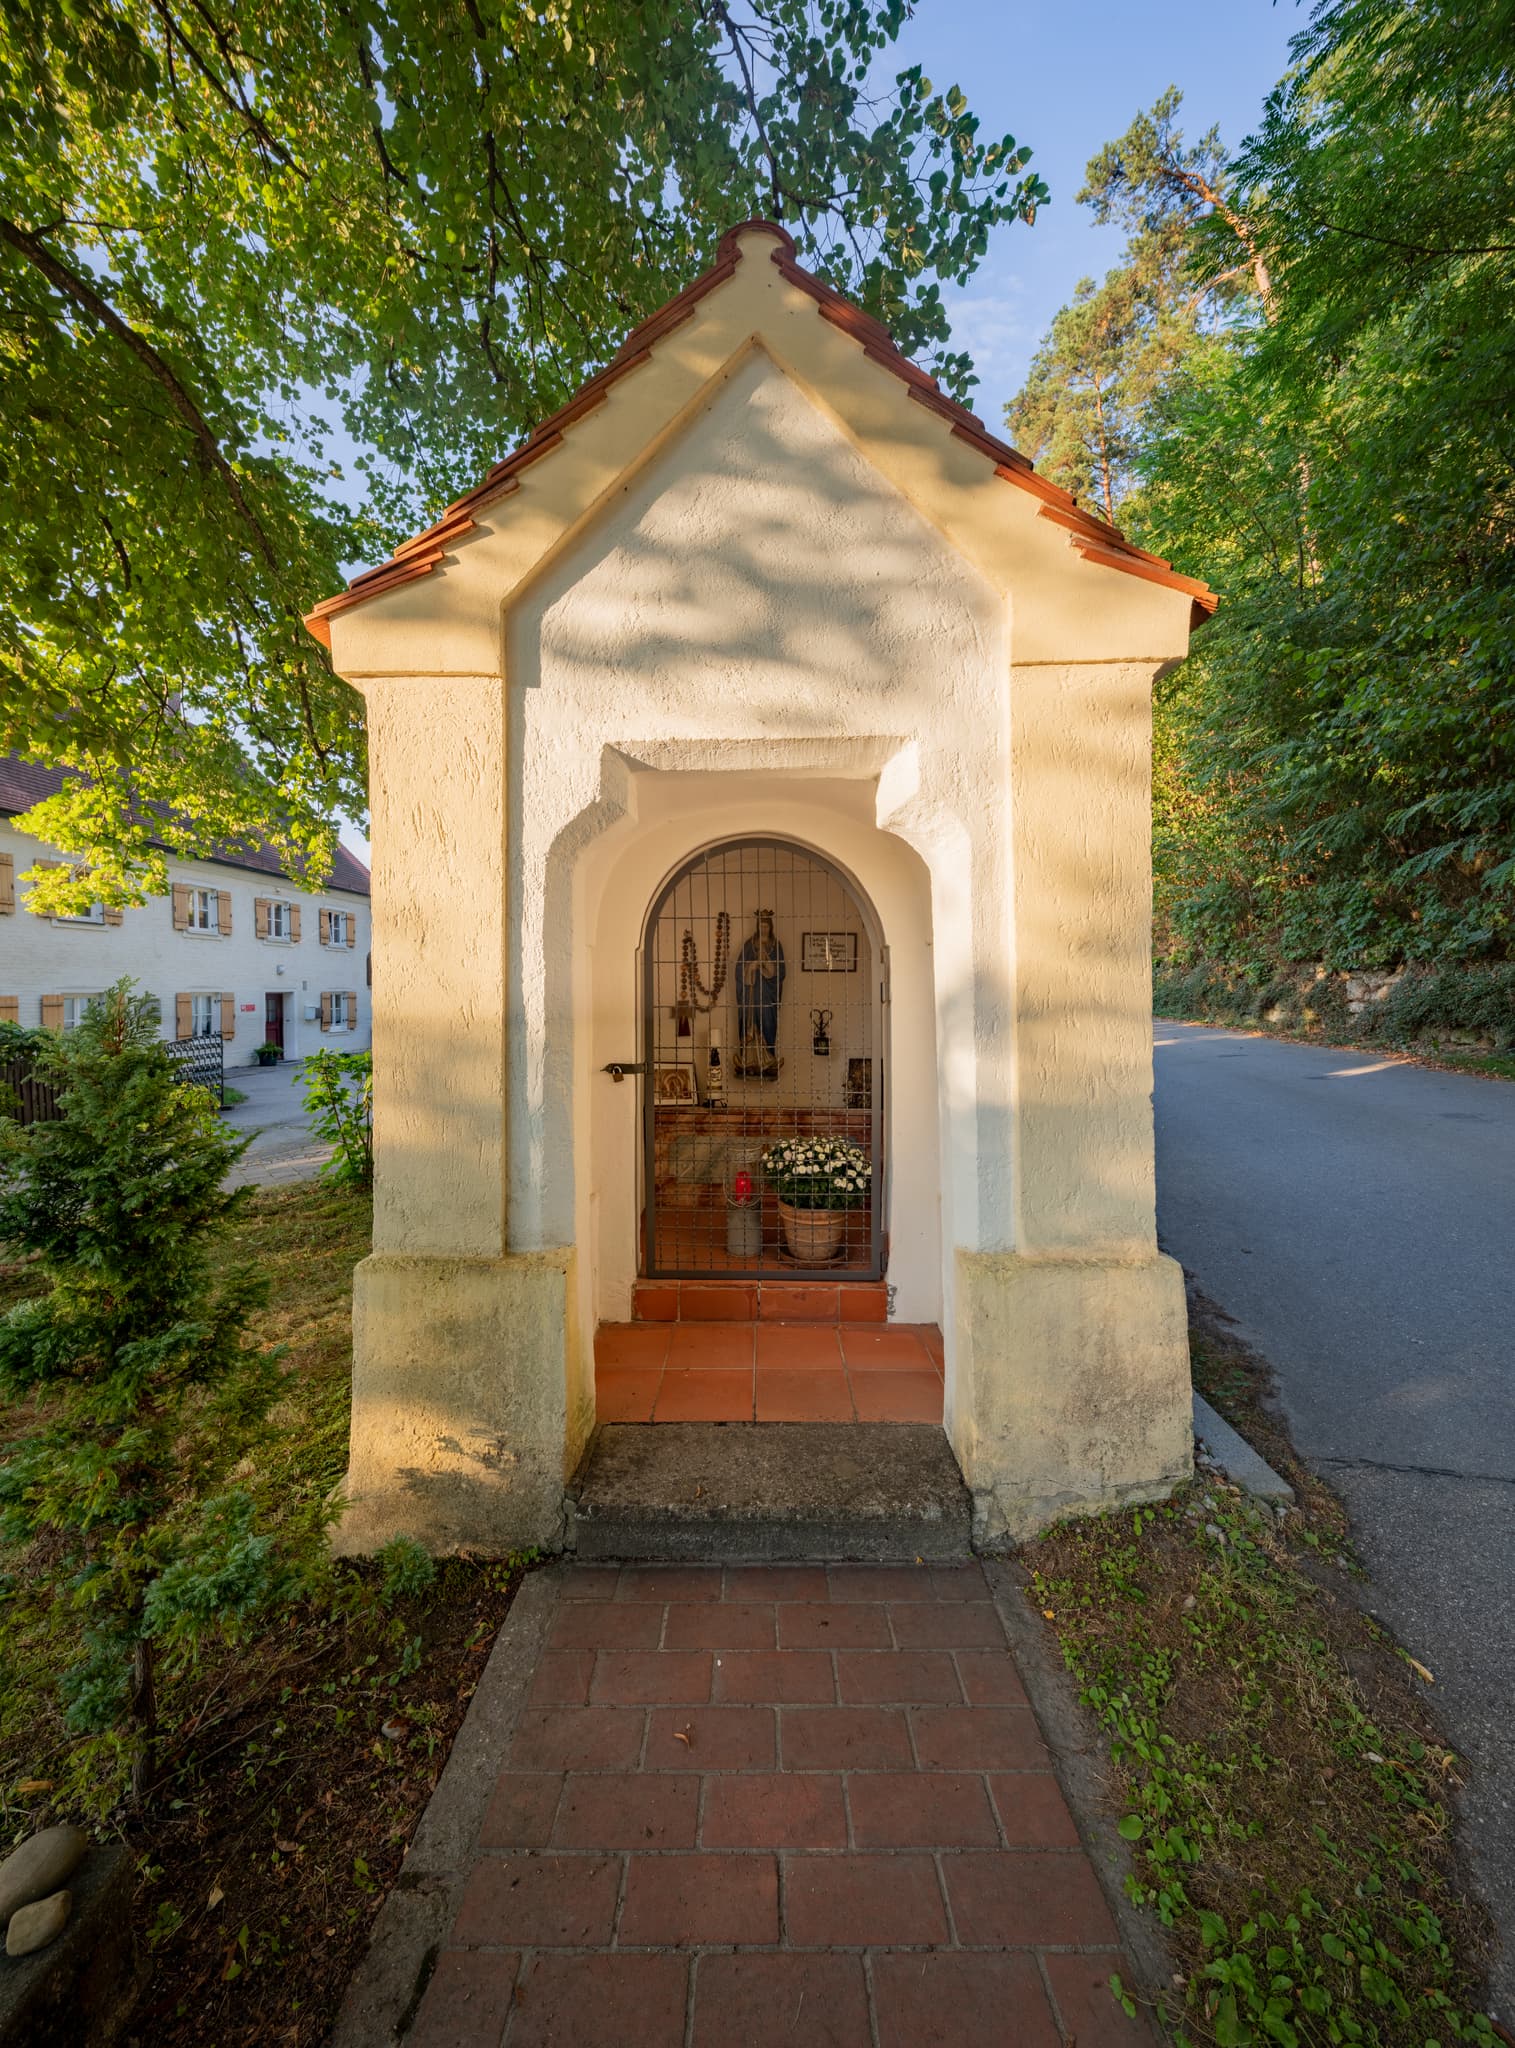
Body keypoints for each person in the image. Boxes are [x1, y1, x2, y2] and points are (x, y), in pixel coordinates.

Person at [735, 909, 785, 1077]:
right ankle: (748, 1061)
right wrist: (751, 967)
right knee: (750, 1024)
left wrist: (768, 969)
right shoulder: (749, 945)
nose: (763, 930)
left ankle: (769, 1059)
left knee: (768, 1024)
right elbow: (738, 969)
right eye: (761, 926)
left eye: (766, 927)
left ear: (770, 928)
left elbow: (781, 971)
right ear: (757, 927)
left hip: (767, 997)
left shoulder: (776, 946)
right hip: (751, 995)